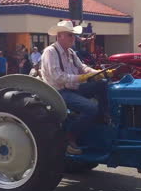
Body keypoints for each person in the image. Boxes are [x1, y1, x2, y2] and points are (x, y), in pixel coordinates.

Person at [41, 20, 113, 155]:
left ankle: (104, 118)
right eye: (70, 35)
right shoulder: (50, 52)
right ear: (60, 35)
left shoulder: (71, 53)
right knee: (91, 108)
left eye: (73, 35)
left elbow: (82, 68)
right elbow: (57, 76)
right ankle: (69, 137)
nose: (73, 38)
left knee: (103, 84)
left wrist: (98, 73)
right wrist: (79, 78)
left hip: (73, 87)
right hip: (58, 92)